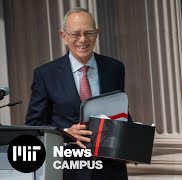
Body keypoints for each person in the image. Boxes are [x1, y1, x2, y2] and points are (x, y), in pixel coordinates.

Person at [25, 7, 130, 180]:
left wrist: (132, 138)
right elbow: (33, 126)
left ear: (97, 33)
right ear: (63, 36)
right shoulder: (45, 75)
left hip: (111, 171)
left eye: (88, 33)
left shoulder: (115, 68)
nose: (83, 39)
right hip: (67, 169)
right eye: (75, 34)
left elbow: (121, 114)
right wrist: (66, 133)